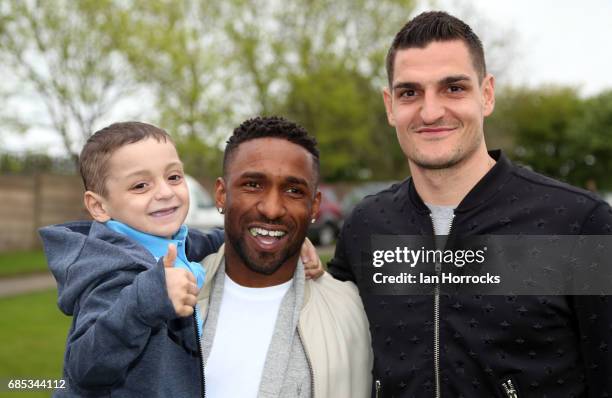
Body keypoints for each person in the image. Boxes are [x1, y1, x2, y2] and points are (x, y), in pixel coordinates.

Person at [327, 11, 612, 397]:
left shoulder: (578, 223)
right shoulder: (367, 226)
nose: (430, 112)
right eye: (409, 92)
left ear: (487, 94)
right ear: (390, 105)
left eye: (453, 88)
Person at [39, 121, 321, 397]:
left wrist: (281, 239)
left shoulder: (170, 243)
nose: (165, 192)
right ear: (99, 206)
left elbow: (214, 240)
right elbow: (83, 368)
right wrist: (149, 297)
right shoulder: (111, 269)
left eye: (173, 177)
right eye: (140, 186)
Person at [198, 116, 373, 398]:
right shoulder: (171, 297)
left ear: (314, 206)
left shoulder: (355, 310)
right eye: (253, 184)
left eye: (293, 191)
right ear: (221, 194)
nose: (272, 209)